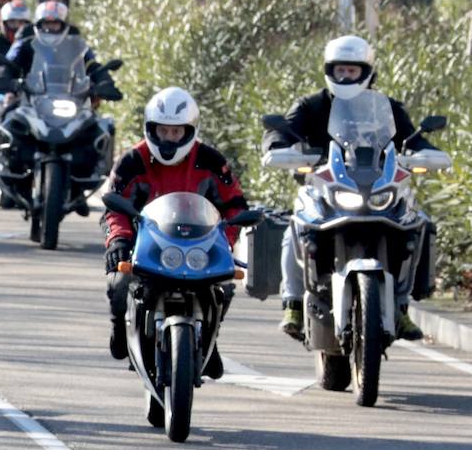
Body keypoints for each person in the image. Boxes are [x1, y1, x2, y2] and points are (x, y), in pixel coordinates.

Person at [266, 35, 438, 342]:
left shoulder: (386, 108)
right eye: (340, 70)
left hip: (377, 186)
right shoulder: (311, 105)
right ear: (329, 71)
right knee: (296, 224)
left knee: (415, 221)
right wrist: (280, 146)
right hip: (325, 187)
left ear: (367, 72)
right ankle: (292, 302)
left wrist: (426, 152)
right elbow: (283, 131)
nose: (345, 77)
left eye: (352, 71)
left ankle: (400, 307)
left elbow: (412, 140)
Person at [103, 86, 247, 375]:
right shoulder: (133, 160)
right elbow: (115, 206)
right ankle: (120, 327)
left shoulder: (211, 160)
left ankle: (211, 340)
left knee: (224, 288)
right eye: (163, 131)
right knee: (118, 284)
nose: (169, 138)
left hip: (199, 248)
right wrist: (119, 239)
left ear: (189, 130)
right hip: (146, 245)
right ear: (151, 128)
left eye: (176, 132)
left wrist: (225, 241)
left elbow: (236, 206)